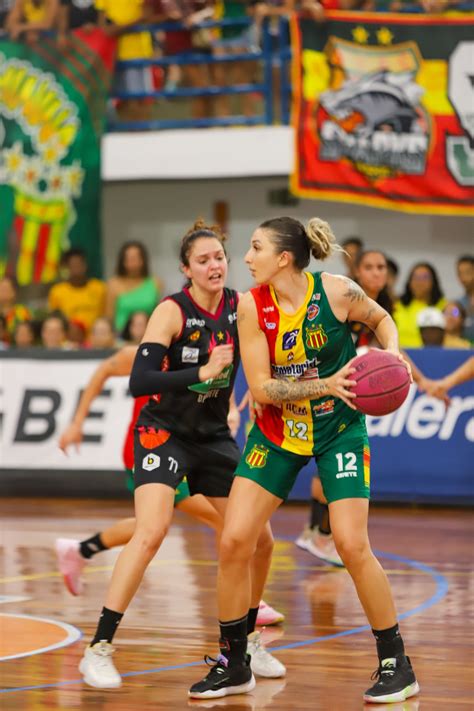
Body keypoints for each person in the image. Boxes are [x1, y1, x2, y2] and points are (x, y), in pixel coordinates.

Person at [189, 216, 419, 704]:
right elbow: (264, 389)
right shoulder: (252, 306)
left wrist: (393, 353)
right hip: (277, 432)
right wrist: (325, 383)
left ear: (284, 258)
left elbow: (381, 318)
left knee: (352, 545)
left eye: (255, 248)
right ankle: (234, 663)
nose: (246, 259)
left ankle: (396, 663)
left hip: (339, 431)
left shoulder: (336, 291)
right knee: (234, 540)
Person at [78, 220, 285, 690]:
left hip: (213, 437)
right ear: (186, 269)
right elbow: (140, 381)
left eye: (220, 257)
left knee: (262, 538)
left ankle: (248, 642)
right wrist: (200, 371)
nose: (215, 265)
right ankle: (99, 649)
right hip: (162, 432)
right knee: (151, 531)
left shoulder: (243, 306)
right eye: (204, 260)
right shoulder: (171, 311)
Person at [56, 342, 283, 625]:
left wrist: (229, 410)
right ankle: (248, 604)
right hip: (150, 448)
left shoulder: (209, 347)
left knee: (150, 527)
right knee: (223, 520)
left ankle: (80, 550)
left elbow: (214, 384)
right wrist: (77, 422)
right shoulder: (147, 352)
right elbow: (104, 369)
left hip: (187, 447)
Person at [105, 241, 162, 334]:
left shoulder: (156, 283)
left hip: (149, 335)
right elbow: (109, 317)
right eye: (128, 258)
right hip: (120, 338)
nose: (132, 261)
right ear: (122, 261)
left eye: (135, 258)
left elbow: (160, 315)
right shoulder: (113, 284)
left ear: (143, 260)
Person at [47, 249, 106, 336]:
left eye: (79, 264)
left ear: (85, 265)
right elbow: (55, 321)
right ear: (67, 268)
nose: (77, 269)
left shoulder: (100, 288)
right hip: (68, 343)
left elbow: (105, 316)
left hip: (95, 340)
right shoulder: (57, 291)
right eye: (73, 265)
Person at [393, 262, 446, 348]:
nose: (420, 282)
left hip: (430, 355)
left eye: (425, 277)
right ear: (409, 282)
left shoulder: (444, 306)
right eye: (416, 277)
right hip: (399, 354)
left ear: (433, 281)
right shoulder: (396, 306)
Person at [456, 256, 474, 343]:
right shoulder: (459, 304)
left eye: (468, 272)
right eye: (460, 273)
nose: (463, 278)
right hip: (465, 351)